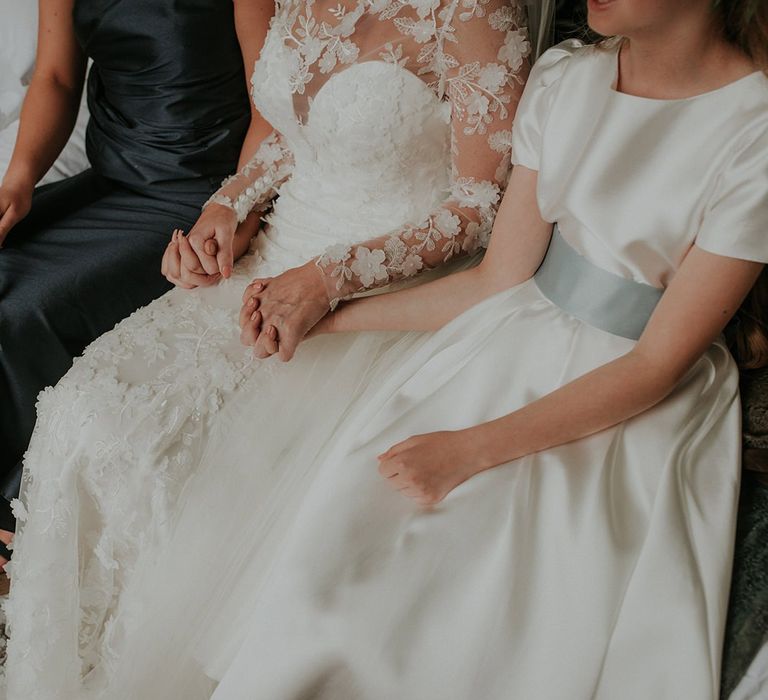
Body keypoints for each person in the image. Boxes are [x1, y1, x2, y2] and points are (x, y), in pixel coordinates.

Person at [41, 0, 766, 696]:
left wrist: (469, 448)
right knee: (330, 557)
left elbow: (656, 364)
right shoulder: (568, 78)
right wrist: (331, 318)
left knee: (445, 619)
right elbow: (497, 281)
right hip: (504, 338)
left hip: (625, 399)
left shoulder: (753, 130)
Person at [3, 1, 534, 697]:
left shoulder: (476, 14)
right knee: (83, 412)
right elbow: (291, 136)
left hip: (376, 283)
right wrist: (224, 210)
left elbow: (479, 208)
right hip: (271, 256)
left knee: (176, 469)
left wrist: (333, 278)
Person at [0, 0, 275, 563]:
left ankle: (16, 522)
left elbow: (270, 102)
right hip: (111, 178)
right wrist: (19, 181)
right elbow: (54, 76)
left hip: (195, 194)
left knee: (28, 308)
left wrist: (232, 203)